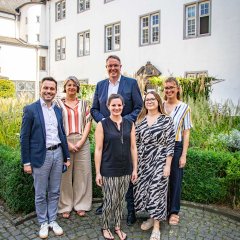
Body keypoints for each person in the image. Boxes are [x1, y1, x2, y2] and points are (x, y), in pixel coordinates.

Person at [90, 55, 143, 225]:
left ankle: (131, 210)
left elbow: (138, 106)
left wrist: (124, 121)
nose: (112, 69)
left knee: (125, 168)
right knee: (107, 167)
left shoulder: (131, 83)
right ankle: (107, 202)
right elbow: (94, 109)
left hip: (125, 131)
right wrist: (105, 123)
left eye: (115, 66)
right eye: (109, 66)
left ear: (121, 66)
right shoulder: (100, 85)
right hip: (107, 133)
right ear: (106, 67)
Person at [20, 77, 70, 239]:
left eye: (52, 89)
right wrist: (26, 162)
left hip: (58, 153)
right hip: (40, 156)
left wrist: (66, 156)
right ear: (41, 89)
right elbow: (24, 137)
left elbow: (61, 133)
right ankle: (43, 222)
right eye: (46, 88)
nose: (49, 91)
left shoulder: (57, 110)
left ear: (56, 91)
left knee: (55, 191)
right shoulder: (31, 109)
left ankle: (52, 220)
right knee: (41, 192)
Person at [94, 94, 138, 240]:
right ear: (108, 106)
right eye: (113, 105)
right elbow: (98, 149)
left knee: (120, 200)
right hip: (108, 169)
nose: (116, 108)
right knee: (110, 200)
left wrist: (135, 169)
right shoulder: (102, 124)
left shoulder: (129, 124)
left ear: (123, 106)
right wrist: (98, 173)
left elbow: (133, 147)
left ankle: (118, 226)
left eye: (119, 105)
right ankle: (105, 226)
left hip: (126, 169)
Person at [134, 91, 175, 240]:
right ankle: (152, 218)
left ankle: (157, 227)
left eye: (153, 99)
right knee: (146, 191)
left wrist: (168, 165)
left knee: (157, 192)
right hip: (143, 162)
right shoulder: (140, 120)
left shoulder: (166, 120)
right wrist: (135, 166)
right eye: (147, 99)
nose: (150, 101)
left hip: (160, 160)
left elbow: (170, 144)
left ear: (158, 101)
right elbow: (136, 145)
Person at [57, 76, 92, 219]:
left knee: (83, 174)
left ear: (78, 88)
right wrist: (67, 143)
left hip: (81, 140)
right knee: (65, 175)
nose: (71, 87)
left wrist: (81, 141)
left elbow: (88, 122)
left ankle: (81, 204)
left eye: (74, 85)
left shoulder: (84, 104)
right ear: (65, 87)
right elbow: (57, 125)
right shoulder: (57, 104)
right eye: (69, 85)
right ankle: (65, 205)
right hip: (64, 141)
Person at [163, 77, 192, 225]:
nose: (168, 90)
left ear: (177, 89)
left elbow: (186, 132)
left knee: (175, 180)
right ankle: (160, 210)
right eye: (166, 88)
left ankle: (173, 211)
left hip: (176, 145)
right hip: (159, 147)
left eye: (171, 87)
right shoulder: (160, 105)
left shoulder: (184, 107)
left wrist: (184, 155)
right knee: (160, 180)